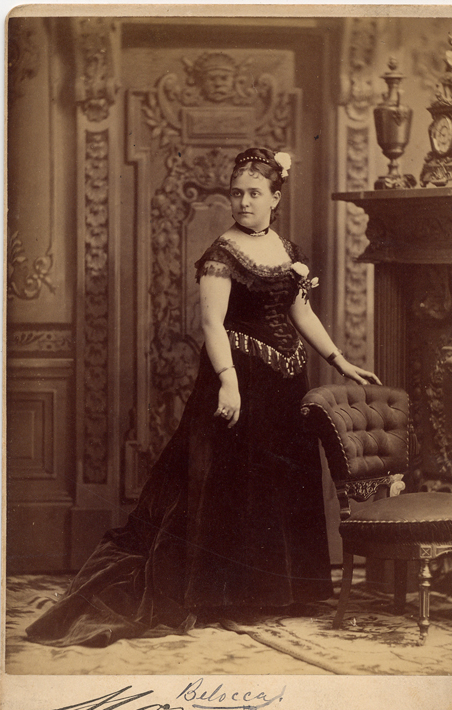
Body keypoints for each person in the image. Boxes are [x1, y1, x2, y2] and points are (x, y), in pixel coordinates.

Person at [26, 147, 380, 648]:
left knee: (281, 478)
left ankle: (281, 591)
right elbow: (212, 323)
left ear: (275, 198)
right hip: (240, 376)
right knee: (236, 481)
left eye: (254, 193)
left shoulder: (287, 248)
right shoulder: (221, 254)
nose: (243, 202)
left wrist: (339, 359)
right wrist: (228, 381)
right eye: (237, 193)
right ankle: (230, 593)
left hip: (285, 383)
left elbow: (300, 313)